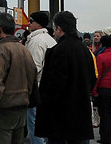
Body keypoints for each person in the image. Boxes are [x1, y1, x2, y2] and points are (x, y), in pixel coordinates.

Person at [35, 11, 97, 144]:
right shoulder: (85, 51)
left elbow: (54, 86)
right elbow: (92, 79)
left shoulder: (58, 51)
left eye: (54, 29)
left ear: (59, 29)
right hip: (81, 114)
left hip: (61, 118)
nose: (53, 33)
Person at [0, 12, 37, 144]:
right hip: (22, 105)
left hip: (5, 107)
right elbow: (32, 75)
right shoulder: (24, 49)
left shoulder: (0, 50)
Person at [25, 10, 56, 144]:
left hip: (36, 88)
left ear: (37, 24)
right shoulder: (51, 39)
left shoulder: (36, 41)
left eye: (31, 21)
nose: (29, 24)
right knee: (47, 123)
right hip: (49, 87)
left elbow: (34, 67)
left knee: (34, 123)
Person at [93, 34, 111, 144]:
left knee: (104, 114)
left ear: (102, 44)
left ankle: (105, 137)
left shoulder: (101, 57)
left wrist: (94, 90)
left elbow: (98, 75)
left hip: (103, 89)